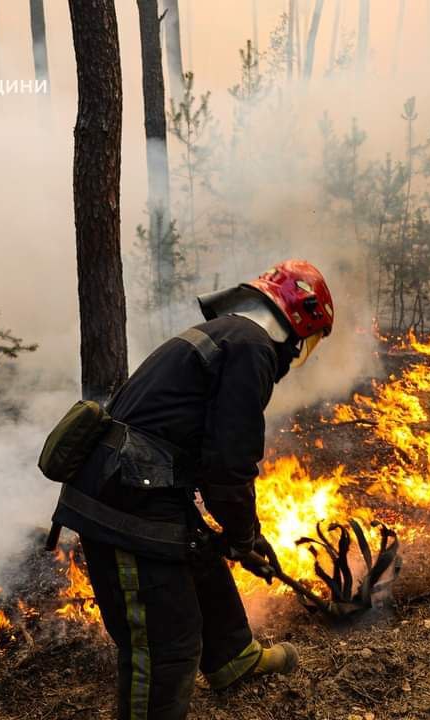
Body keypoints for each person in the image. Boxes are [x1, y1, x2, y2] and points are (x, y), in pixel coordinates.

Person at [51, 260, 335, 720]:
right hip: (124, 501)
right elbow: (228, 465)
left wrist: (246, 538)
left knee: (200, 556)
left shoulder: (231, 335)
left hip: (139, 484)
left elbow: (202, 452)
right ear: (300, 323)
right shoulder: (253, 349)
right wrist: (242, 536)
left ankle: (234, 659)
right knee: (167, 641)